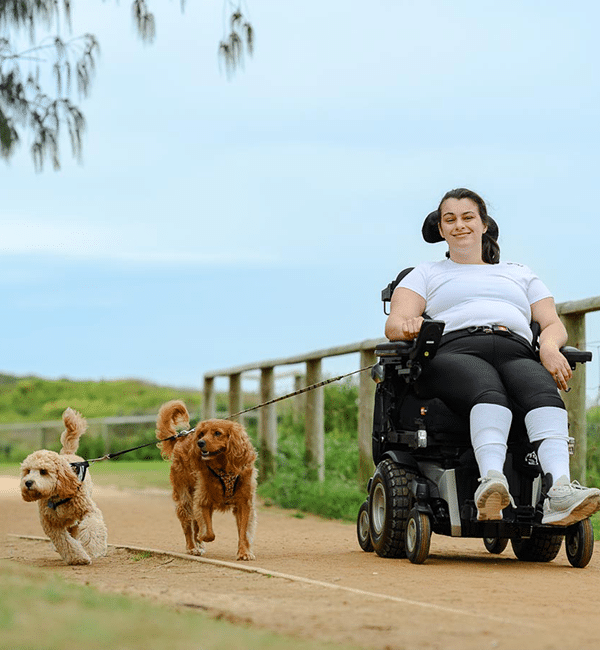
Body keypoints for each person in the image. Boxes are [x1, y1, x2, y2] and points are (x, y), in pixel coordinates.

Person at [385, 187, 600, 525]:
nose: (460, 225)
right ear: (441, 230)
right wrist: (409, 325)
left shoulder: (519, 272)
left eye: (468, 217)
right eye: (450, 220)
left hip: (515, 349)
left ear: (484, 224)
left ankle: (559, 490)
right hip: (455, 349)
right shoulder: (426, 273)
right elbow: (394, 323)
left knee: (543, 393)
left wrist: (547, 346)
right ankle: (491, 483)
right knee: (487, 390)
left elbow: (552, 323)